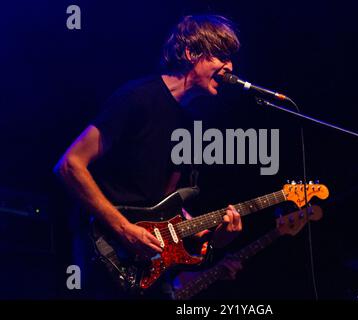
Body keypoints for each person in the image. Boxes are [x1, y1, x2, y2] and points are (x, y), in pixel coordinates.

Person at [54, 15, 243, 298]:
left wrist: (214, 235)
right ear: (192, 53)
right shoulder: (138, 98)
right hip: (104, 250)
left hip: (146, 263)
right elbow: (70, 165)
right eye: (220, 56)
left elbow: (164, 203)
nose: (230, 67)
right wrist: (124, 229)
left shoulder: (191, 122)